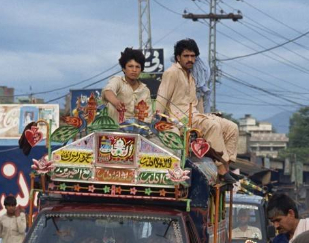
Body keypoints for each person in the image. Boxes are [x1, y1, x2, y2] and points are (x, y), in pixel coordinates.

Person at [155, 39, 238, 180]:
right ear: (178, 57)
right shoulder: (172, 72)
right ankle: (221, 170)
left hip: (195, 115)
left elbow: (196, 102)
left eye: (193, 56)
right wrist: (157, 118)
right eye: (186, 56)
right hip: (179, 118)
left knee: (232, 127)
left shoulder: (192, 75)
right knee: (213, 126)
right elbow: (162, 97)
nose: (190, 59)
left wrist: (206, 115)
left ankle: (226, 167)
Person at [101, 48, 152, 123]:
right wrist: (116, 102)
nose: (134, 70)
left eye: (137, 67)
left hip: (137, 131)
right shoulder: (117, 81)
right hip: (115, 130)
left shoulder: (145, 90)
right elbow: (107, 91)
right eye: (130, 66)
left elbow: (148, 117)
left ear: (141, 69)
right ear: (124, 69)